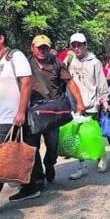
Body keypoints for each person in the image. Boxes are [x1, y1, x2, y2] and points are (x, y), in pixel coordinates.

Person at [0, 25, 39, 219]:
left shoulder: (15, 57)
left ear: (1, 38)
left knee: (1, 158)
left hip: (11, 116)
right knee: (16, 151)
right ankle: (31, 185)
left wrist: (20, 111)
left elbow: (27, 83)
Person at [27, 35, 85, 184]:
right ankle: (38, 177)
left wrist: (79, 102)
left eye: (45, 48)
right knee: (32, 146)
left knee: (52, 144)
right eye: (39, 48)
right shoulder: (26, 64)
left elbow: (70, 83)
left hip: (52, 111)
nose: (42, 51)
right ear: (32, 48)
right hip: (33, 111)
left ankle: (50, 164)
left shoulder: (57, 64)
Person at [65, 33, 110, 180]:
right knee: (79, 137)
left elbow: (101, 82)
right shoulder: (69, 60)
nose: (77, 48)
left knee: (94, 134)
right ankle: (82, 166)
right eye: (74, 45)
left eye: (79, 45)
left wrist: (104, 100)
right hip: (75, 105)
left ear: (85, 45)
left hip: (91, 104)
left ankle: (101, 157)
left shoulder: (95, 62)